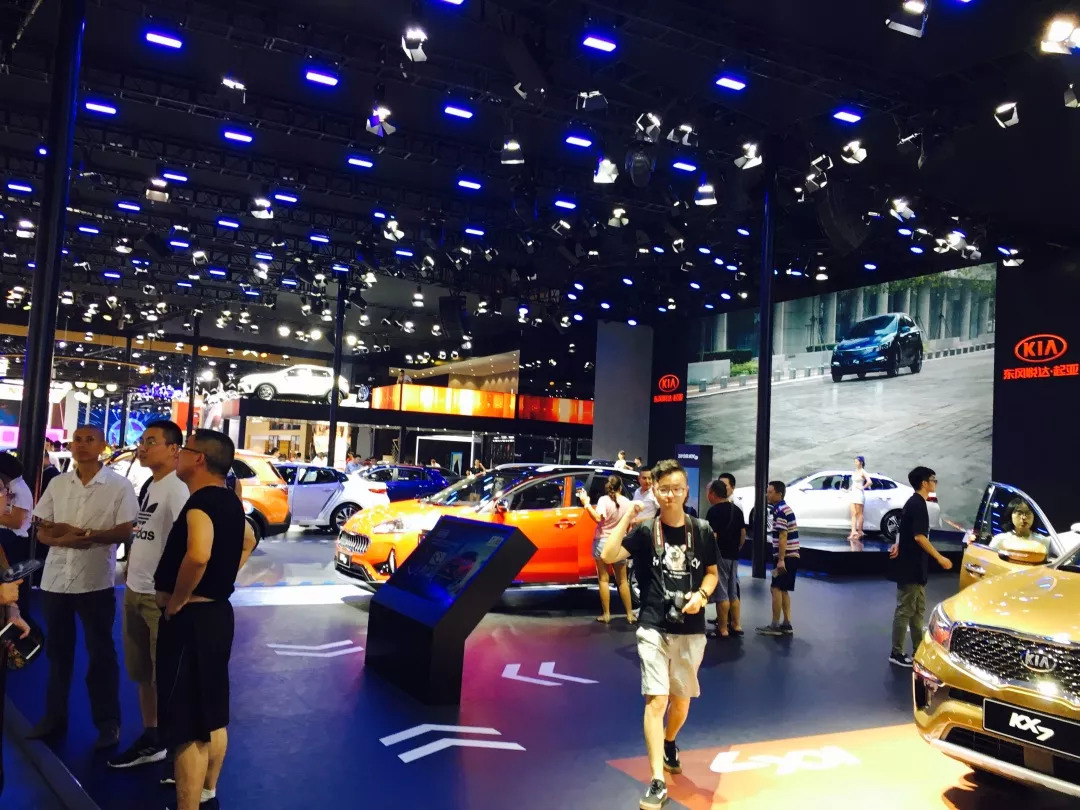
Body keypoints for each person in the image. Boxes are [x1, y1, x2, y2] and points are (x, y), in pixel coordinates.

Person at [600, 460, 718, 810]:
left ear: (686, 491)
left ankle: (669, 741)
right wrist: (627, 515)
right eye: (663, 489)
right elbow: (608, 554)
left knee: (681, 701)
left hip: (690, 629)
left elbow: (712, 574)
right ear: (654, 490)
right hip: (652, 625)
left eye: (676, 489)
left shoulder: (702, 530)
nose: (670, 495)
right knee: (657, 700)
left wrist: (702, 596)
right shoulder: (645, 532)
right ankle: (656, 780)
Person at [155, 429, 257, 810]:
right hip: (216, 616)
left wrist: (178, 601)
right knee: (212, 712)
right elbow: (248, 541)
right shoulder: (230, 500)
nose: (178, 455)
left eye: (184, 449)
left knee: (188, 725)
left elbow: (198, 555)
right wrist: (223, 578)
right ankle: (208, 791)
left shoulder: (200, 503)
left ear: (199, 458)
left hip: (192, 621)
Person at [29, 424, 138, 748]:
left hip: (94, 581)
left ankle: (108, 723)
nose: (82, 445)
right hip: (55, 580)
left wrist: (87, 536)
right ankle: (53, 719)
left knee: (101, 653)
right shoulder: (59, 483)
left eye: (90, 440)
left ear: (103, 445)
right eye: (77, 439)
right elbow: (42, 530)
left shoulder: (118, 486)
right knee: (57, 654)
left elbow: (125, 531)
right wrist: (62, 538)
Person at [108, 421, 189, 770]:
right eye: (142, 441)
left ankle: (179, 753)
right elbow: (147, 534)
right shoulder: (151, 485)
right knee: (143, 673)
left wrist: (173, 594)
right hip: (135, 591)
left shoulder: (178, 489)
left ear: (174, 449)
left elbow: (188, 546)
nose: (142, 447)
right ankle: (153, 737)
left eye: (151, 441)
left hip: (158, 598)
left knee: (168, 677)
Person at [888, 467, 953, 667]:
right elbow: (919, 537)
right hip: (911, 567)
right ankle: (896, 653)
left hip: (916, 567)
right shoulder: (917, 505)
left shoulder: (914, 503)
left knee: (917, 610)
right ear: (924, 483)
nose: (935, 483)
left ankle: (918, 648)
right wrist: (940, 557)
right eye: (933, 479)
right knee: (905, 610)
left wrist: (898, 544)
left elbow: (903, 530)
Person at [577, 476, 634, 624]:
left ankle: (607, 615)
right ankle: (629, 615)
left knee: (603, 579)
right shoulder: (628, 503)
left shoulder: (603, 500)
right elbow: (630, 525)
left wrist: (586, 504)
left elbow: (598, 518)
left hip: (602, 542)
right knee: (622, 581)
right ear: (620, 487)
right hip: (618, 543)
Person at [756, 481, 800, 637]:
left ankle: (775, 625)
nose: (767, 495)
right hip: (791, 555)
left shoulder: (780, 511)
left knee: (775, 588)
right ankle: (786, 623)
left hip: (786, 556)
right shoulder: (784, 509)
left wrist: (781, 559)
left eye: (770, 492)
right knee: (783, 589)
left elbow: (783, 536)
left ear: (779, 494)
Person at [705, 478, 745, 638]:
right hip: (734, 555)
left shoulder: (714, 511)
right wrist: (736, 548)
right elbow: (742, 535)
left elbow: (712, 536)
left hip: (720, 555)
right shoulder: (737, 510)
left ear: (713, 493)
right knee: (733, 592)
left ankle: (722, 629)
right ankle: (736, 625)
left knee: (721, 593)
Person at [0, 453, 34, 595]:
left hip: (12, 540)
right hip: (7, 538)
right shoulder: (12, 487)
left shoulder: (20, 490)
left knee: (11, 583)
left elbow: (16, 522)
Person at [848, 455, 871, 551]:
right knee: (853, 513)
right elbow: (854, 483)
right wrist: (848, 489)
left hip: (859, 494)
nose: (855, 463)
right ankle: (853, 531)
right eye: (855, 461)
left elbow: (869, 481)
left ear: (861, 462)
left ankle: (860, 531)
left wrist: (863, 487)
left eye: (857, 461)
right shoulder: (855, 471)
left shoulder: (863, 471)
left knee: (859, 513)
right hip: (853, 493)